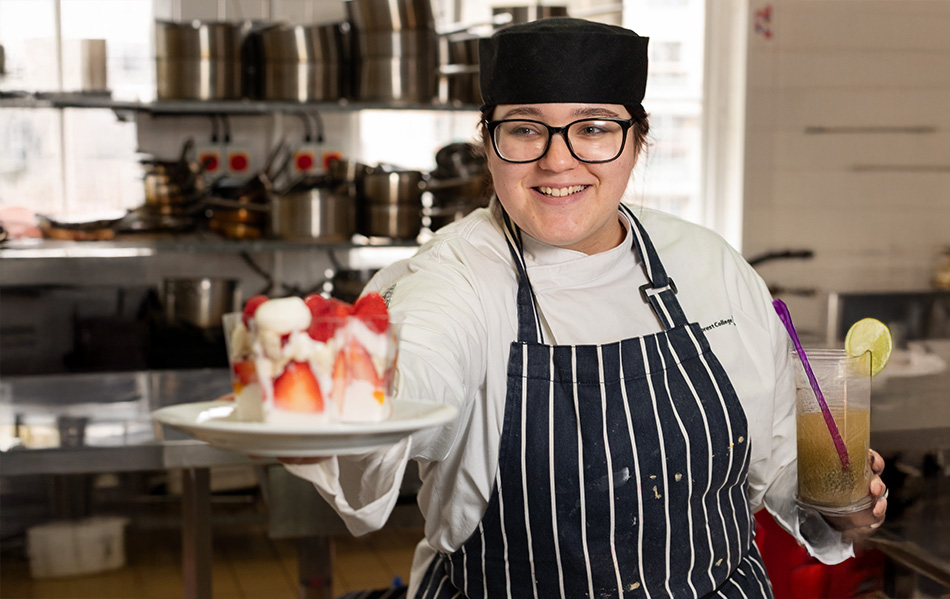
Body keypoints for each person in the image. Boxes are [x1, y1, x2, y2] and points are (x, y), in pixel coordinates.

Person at [283, 17, 888, 598]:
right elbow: (418, 369)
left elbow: (777, 456)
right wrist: (345, 404)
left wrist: (842, 503)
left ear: (637, 143)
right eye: (525, 128)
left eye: (594, 128)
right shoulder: (455, 274)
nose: (558, 160)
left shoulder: (708, 264)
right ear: (488, 144)